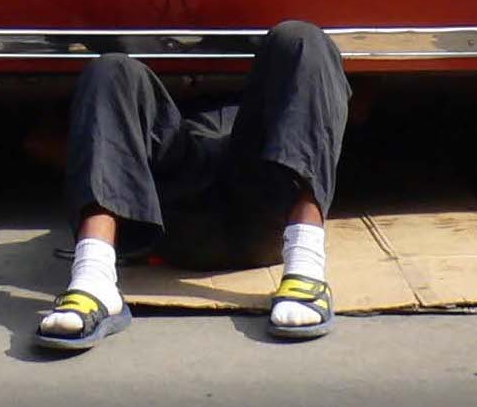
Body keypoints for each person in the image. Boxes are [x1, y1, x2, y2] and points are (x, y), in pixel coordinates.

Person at [36, 21, 350, 353]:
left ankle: (306, 265)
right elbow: (42, 139)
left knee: (303, 38)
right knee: (110, 68)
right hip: (173, 206)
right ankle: (94, 279)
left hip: (265, 199)